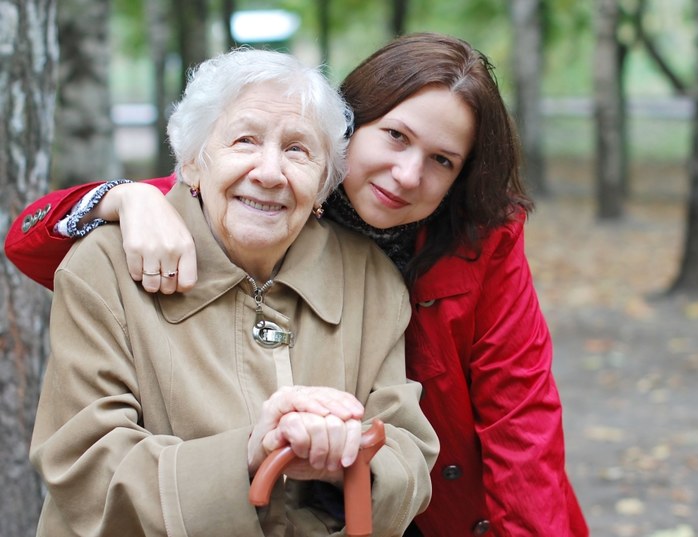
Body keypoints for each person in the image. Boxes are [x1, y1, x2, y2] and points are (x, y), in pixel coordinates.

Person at [6, 33, 588, 536]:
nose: (409, 174)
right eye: (396, 137)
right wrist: (121, 196)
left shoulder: (452, 252)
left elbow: (521, 418)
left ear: (322, 172)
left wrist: (348, 459)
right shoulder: (170, 220)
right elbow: (29, 243)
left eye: (443, 160)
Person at [24, 48, 438, 537]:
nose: (269, 172)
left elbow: (407, 450)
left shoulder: (370, 278)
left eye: (298, 150)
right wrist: (248, 453)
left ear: (325, 186)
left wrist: (348, 458)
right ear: (194, 164)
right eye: (244, 140)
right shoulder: (106, 265)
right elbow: (84, 465)